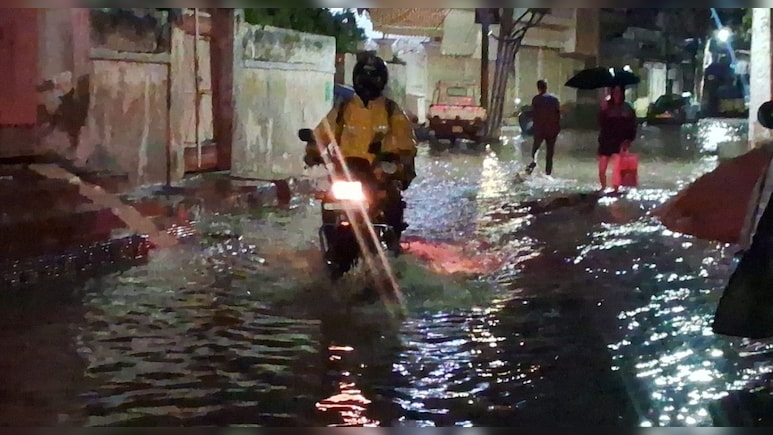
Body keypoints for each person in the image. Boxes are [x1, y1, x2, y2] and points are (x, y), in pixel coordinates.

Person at [303, 53, 418, 238]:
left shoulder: (391, 110)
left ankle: (393, 243)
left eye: (373, 79)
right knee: (328, 201)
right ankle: (330, 238)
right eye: (364, 78)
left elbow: (406, 141)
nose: (367, 83)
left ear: (381, 81)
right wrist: (313, 151)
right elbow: (323, 134)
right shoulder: (343, 109)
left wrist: (394, 158)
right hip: (345, 173)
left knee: (392, 200)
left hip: (377, 176)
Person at [597, 84, 637, 192]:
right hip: (606, 140)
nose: (617, 94)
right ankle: (603, 188)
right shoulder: (606, 107)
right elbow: (600, 123)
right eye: (614, 92)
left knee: (618, 169)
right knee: (602, 169)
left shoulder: (628, 108)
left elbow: (633, 126)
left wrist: (628, 140)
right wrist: (602, 111)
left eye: (619, 92)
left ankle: (616, 189)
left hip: (621, 141)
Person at [526, 79, 561, 176]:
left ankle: (530, 169)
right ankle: (548, 173)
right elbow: (558, 115)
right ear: (546, 87)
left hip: (540, 130)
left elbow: (534, 114)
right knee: (550, 153)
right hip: (552, 130)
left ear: (538, 88)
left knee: (535, 150)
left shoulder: (536, 99)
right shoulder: (554, 99)